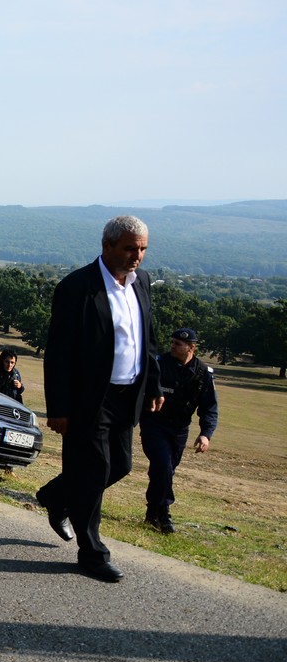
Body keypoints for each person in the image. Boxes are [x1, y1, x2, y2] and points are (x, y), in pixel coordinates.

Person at [35, 215, 162, 582]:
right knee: (93, 473)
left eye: (142, 249)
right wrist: (59, 408)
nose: (137, 256)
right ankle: (92, 553)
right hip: (89, 398)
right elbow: (58, 352)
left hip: (129, 394)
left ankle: (56, 495)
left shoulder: (143, 283)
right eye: (129, 248)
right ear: (107, 246)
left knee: (119, 466)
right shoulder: (77, 287)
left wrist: (154, 386)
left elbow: (148, 339)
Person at [139, 327, 218, 534]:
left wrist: (205, 434)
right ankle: (164, 514)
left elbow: (209, 407)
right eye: (172, 342)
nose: (172, 346)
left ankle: (151, 513)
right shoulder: (159, 364)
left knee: (164, 471)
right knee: (163, 466)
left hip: (179, 429)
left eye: (178, 344)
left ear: (191, 348)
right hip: (154, 424)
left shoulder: (203, 373)